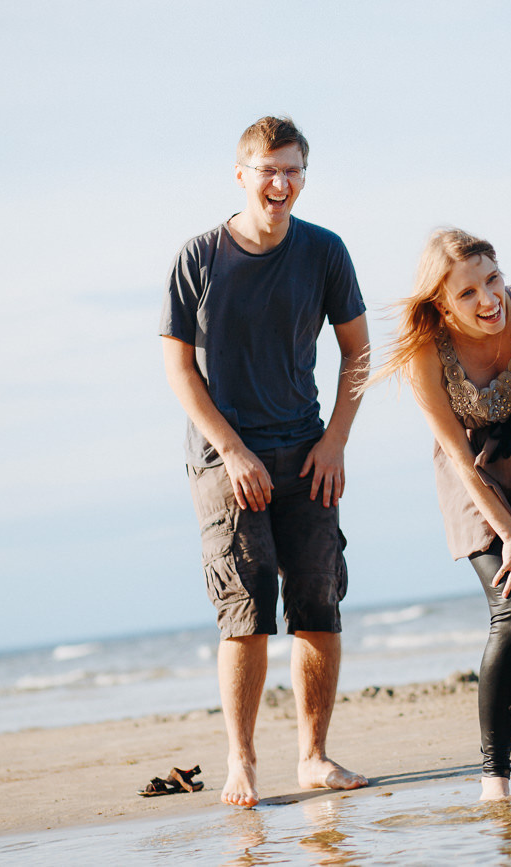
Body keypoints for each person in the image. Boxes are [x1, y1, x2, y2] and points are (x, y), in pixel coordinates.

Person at [160, 116, 370, 807]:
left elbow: (358, 352)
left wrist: (335, 440)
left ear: (303, 175)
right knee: (245, 610)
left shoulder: (325, 251)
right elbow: (179, 368)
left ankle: (313, 756)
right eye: (268, 170)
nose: (280, 183)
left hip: (307, 452)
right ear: (241, 175)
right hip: (224, 459)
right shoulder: (199, 257)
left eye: (292, 170)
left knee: (318, 602)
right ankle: (242, 761)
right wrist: (232, 450)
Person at [369, 228, 511, 800]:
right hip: (478, 480)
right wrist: (510, 534)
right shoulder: (426, 351)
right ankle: (495, 779)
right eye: (468, 293)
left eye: (493, 280)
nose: (489, 300)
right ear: (442, 303)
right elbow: (455, 454)